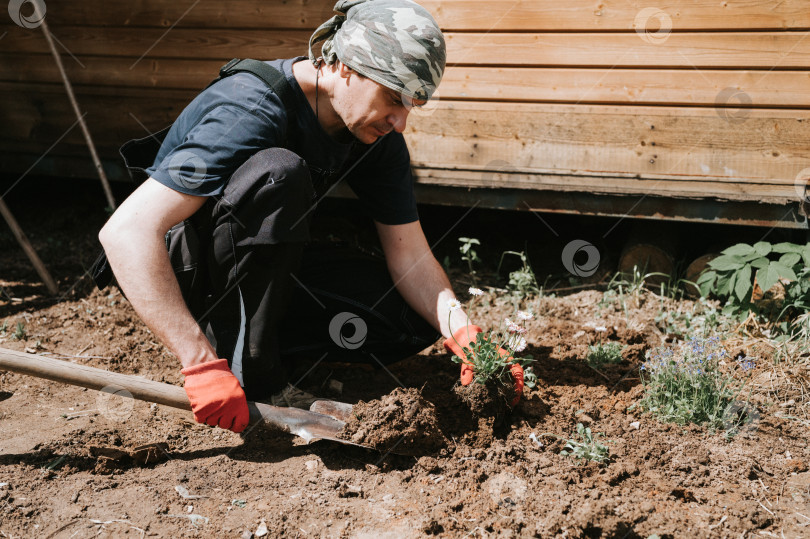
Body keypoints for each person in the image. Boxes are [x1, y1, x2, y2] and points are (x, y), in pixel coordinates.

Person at [98, 0, 522, 434]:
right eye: (393, 97)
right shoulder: (253, 106)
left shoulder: (374, 136)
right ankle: (248, 367)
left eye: (412, 105)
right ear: (345, 66)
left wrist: (467, 336)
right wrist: (199, 362)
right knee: (280, 175)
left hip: (254, 264)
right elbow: (126, 231)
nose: (400, 121)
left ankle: (259, 340)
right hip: (187, 272)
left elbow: (410, 256)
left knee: (411, 319)